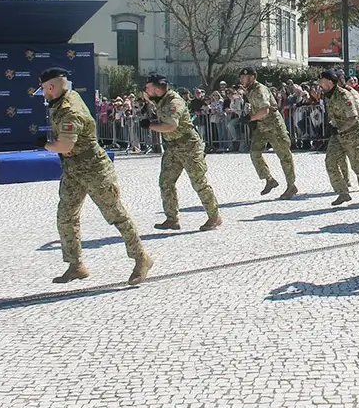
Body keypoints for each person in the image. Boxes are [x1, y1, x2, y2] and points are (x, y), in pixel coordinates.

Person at [37, 67, 152, 285]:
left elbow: (64, 144)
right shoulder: (64, 99)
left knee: (116, 214)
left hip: (94, 169)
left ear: (51, 87)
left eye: (44, 89)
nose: (43, 94)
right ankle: (76, 265)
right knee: (65, 216)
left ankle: (141, 258)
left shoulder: (70, 109)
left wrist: (42, 144)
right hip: (73, 169)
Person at [141, 75, 223, 231]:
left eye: (148, 87)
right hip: (172, 147)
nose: (146, 90)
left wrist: (150, 125)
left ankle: (214, 216)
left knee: (199, 182)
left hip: (189, 146)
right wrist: (148, 98)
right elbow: (153, 101)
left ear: (157, 89)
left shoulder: (174, 102)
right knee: (166, 182)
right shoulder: (162, 99)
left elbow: (171, 125)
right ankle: (172, 219)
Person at [319, 69, 359, 207]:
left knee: (358, 167)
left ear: (329, 82)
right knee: (330, 161)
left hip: (353, 135)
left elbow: (352, 118)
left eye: (321, 82)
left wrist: (338, 128)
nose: (319, 85)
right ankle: (343, 192)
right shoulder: (328, 95)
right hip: (338, 135)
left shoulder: (344, 95)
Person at [241, 67, 298, 198]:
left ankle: (291, 185)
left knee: (284, 156)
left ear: (252, 77)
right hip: (261, 126)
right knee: (255, 153)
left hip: (274, 126)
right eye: (242, 77)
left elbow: (265, 111)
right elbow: (257, 110)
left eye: (245, 77)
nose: (242, 80)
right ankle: (269, 180)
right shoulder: (249, 90)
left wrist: (250, 118)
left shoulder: (259, 90)